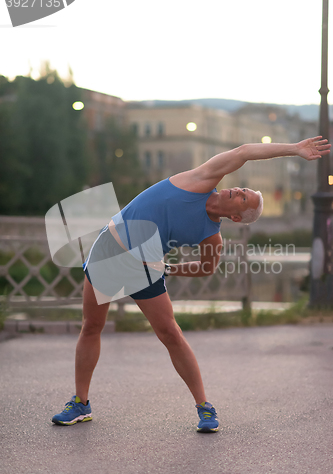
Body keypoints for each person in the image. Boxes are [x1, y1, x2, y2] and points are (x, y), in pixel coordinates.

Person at [52, 136, 331, 432]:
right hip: (110, 248)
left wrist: (170, 267)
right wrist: (294, 149)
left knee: (170, 332)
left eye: (243, 197)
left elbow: (206, 268)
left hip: (144, 265)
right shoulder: (202, 179)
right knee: (92, 326)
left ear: (236, 216)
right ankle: (80, 403)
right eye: (243, 189)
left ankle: (204, 407)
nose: (238, 190)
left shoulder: (212, 236)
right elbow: (245, 152)